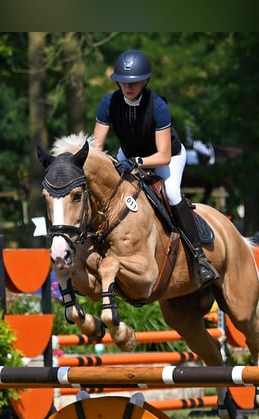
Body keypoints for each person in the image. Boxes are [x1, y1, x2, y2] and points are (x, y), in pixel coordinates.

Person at [92, 49, 219, 288]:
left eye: (134, 82)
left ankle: (200, 259)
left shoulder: (158, 105)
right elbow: (96, 147)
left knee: (170, 194)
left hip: (166, 156)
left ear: (145, 81)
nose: (128, 87)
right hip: (128, 154)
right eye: (123, 81)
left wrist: (138, 162)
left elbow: (163, 155)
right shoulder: (108, 103)